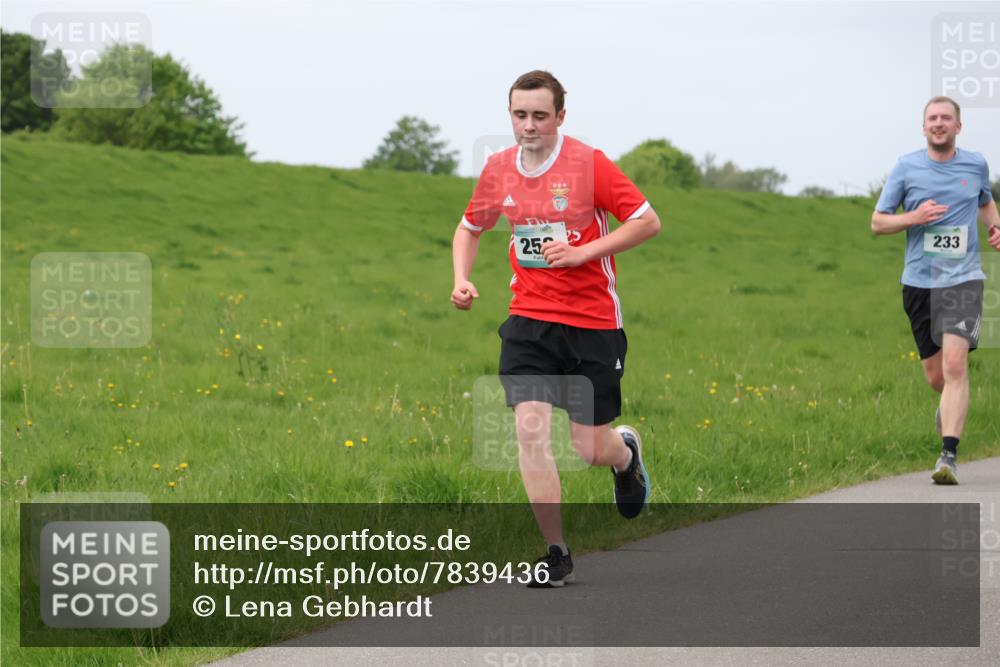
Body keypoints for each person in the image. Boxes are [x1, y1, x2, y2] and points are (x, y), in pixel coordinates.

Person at [450, 70, 661, 587]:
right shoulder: (499, 170)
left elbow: (647, 221)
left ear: (560, 116)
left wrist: (583, 251)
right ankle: (556, 552)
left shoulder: (589, 165)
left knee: (589, 449)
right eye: (519, 115)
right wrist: (461, 278)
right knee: (528, 428)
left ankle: (625, 454)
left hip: (592, 323)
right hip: (529, 319)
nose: (529, 126)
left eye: (539, 115)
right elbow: (469, 227)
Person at [871, 95, 1000, 485]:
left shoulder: (975, 164)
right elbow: (878, 223)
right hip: (919, 282)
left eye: (946, 118)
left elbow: (985, 201)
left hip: (964, 279)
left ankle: (948, 456)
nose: (939, 123)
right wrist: (916, 216)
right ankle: (949, 404)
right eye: (932, 118)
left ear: (958, 127)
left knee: (956, 365)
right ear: (923, 126)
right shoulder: (906, 167)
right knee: (936, 377)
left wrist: (995, 225)